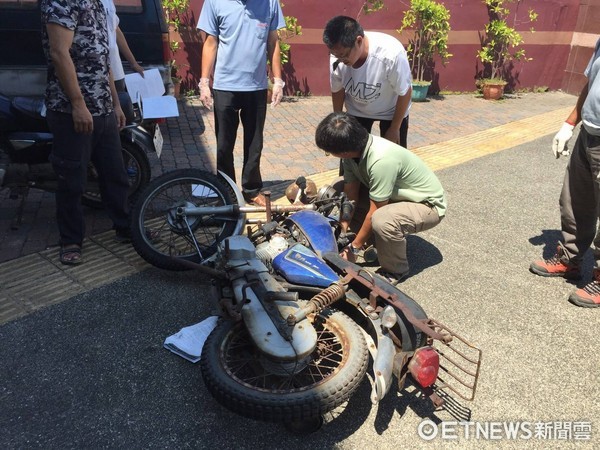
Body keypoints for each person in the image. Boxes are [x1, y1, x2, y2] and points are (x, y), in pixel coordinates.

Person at [41, 0, 131, 265]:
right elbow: (59, 53)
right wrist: (78, 105)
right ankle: (71, 240)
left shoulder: (96, 4)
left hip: (102, 107)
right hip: (72, 111)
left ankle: (125, 226)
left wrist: (115, 103)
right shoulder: (60, 1)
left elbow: (103, 60)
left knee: (115, 174)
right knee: (72, 180)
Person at [315, 112, 446, 284]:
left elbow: (376, 210)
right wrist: (342, 231)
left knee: (382, 219)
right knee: (338, 188)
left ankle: (395, 269)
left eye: (329, 152)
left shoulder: (381, 160)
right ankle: (375, 240)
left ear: (345, 151)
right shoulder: (353, 153)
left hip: (426, 205)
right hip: (395, 198)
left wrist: (354, 249)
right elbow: (350, 195)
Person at [529, 38, 600, 308]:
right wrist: (570, 123)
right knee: (574, 201)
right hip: (589, 133)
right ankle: (570, 259)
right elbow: (591, 85)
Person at [197, 0, 286, 206]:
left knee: (255, 143)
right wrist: (204, 81)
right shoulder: (214, 2)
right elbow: (211, 42)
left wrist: (278, 80)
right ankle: (226, 190)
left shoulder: (269, 2)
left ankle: (252, 189)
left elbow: (273, 42)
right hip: (225, 85)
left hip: (256, 86)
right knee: (224, 144)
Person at [322, 15, 412, 148]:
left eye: (344, 55)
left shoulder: (390, 55)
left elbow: (405, 92)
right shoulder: (337, 56)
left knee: (392, 160)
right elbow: (337, 89)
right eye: (336, 55)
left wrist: (394, 128)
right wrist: (338, 119)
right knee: (351, 157)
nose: (341, 59)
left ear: (359, 41)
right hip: (356, 111)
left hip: (391, 111)